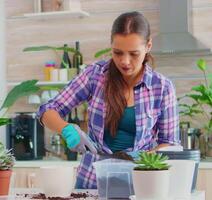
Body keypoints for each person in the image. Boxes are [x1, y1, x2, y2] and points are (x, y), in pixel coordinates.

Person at [36, 11, 180, 189]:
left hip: (140, 183)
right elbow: (47, 110)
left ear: (148, 46)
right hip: (92, 181)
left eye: (133, 54)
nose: (125, 61)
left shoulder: (163, 87)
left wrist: (144, 158)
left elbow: (170, 143)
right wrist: (66, 129)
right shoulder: (95, 76)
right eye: (117, 52)